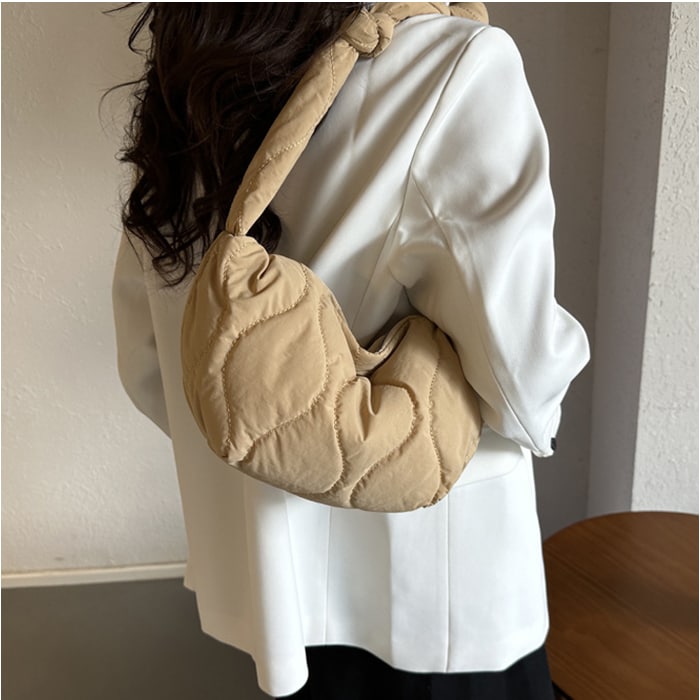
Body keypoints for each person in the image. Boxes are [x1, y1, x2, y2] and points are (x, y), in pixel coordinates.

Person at [112, 4, 589, 699]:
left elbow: (150, 362)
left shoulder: (195, 45)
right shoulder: (453, 66)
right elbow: (524, 387)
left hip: (270, 594)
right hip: (435, 607)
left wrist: (275, 445)